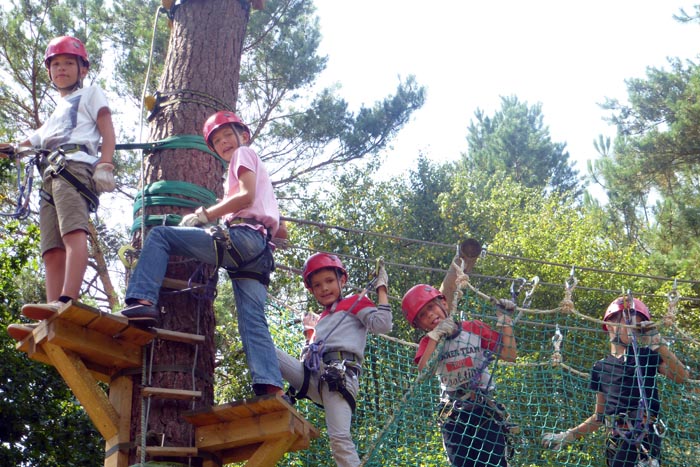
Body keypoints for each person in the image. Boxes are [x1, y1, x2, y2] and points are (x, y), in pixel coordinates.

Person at [117, 110, 286, 397]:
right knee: (253, 321)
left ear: (243, 135)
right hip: (259, 254)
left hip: (243, 239)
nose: (224, 143)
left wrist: (205, 214)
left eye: (227, 135)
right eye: (217, 140)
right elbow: (282, 235)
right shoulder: (261, 176)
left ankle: (142, 299)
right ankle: (271, 387)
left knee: (160, 236)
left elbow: (245, 196)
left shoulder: (244, 154)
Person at [4, 36, 115, 333]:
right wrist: (10, 147)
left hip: (74, 167)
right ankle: (48, 316)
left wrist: (105, 163)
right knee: (51, 249)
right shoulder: (57, 111)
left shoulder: (91, 93)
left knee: (72, 233)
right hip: (50, 174)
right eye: (55, 64)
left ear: (82, 69)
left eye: (68, 63)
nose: (61, 68)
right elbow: (29, 143)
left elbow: (107, 128)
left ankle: (67, 300)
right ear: (50, 72)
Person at [542, 296, 689, 467]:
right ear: (610, 323)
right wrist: (569, 435)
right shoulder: (600, 367)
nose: (633, 327)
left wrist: (657, 342)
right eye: (629, 321)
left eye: (637, 324)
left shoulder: (646, 356)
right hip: (615, 440)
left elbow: (681, 376)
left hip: (644, 437)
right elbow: (599, 417)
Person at [276, 253, 392, 467]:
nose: (324, 288)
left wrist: (381, 288)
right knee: (268, 350)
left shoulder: (355, 302)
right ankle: (275, 394)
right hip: (314, 377)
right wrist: (309, 333)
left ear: (342, 280)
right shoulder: (321, 319)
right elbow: (307, 358)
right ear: (311, 290)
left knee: (339, 439)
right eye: (317, 285)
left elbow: (382, 325)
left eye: (329, 281)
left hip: (339, 376)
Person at [401, 284, 518, 467]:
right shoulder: (428, 343)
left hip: (484, 410)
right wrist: (435, 336)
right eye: (422, 315)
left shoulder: (474, 328)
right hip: (454, 415)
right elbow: (424, 372)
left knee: (495, 462)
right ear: (418, 325)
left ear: (444, 303)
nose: (430, 315)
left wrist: (506, 321)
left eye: (431, 307)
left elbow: (509, 355)